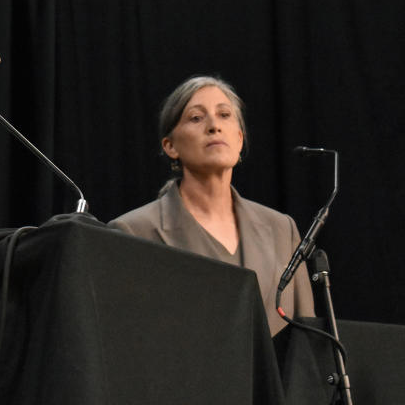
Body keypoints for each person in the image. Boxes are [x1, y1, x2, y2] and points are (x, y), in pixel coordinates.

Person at [108, 75, 314, 336]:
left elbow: (309, 345)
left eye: (224, 115)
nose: (214, 126)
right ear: (170, 146)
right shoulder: (132, 233)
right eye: (196, 118)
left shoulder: (282, 230)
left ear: (239, 139)